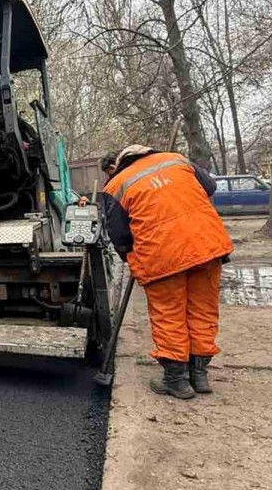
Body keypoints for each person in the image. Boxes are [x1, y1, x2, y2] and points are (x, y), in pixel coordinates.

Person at [102, 145, 233, 399]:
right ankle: (199, 375)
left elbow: (118, 234)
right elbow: (210, 187)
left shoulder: (116, 185)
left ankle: (176, 380)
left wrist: (130, 257)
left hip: (162, 256)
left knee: (169, 315)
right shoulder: (177, 160)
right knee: (203, 311)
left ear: (115, 165)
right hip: (206, 246)